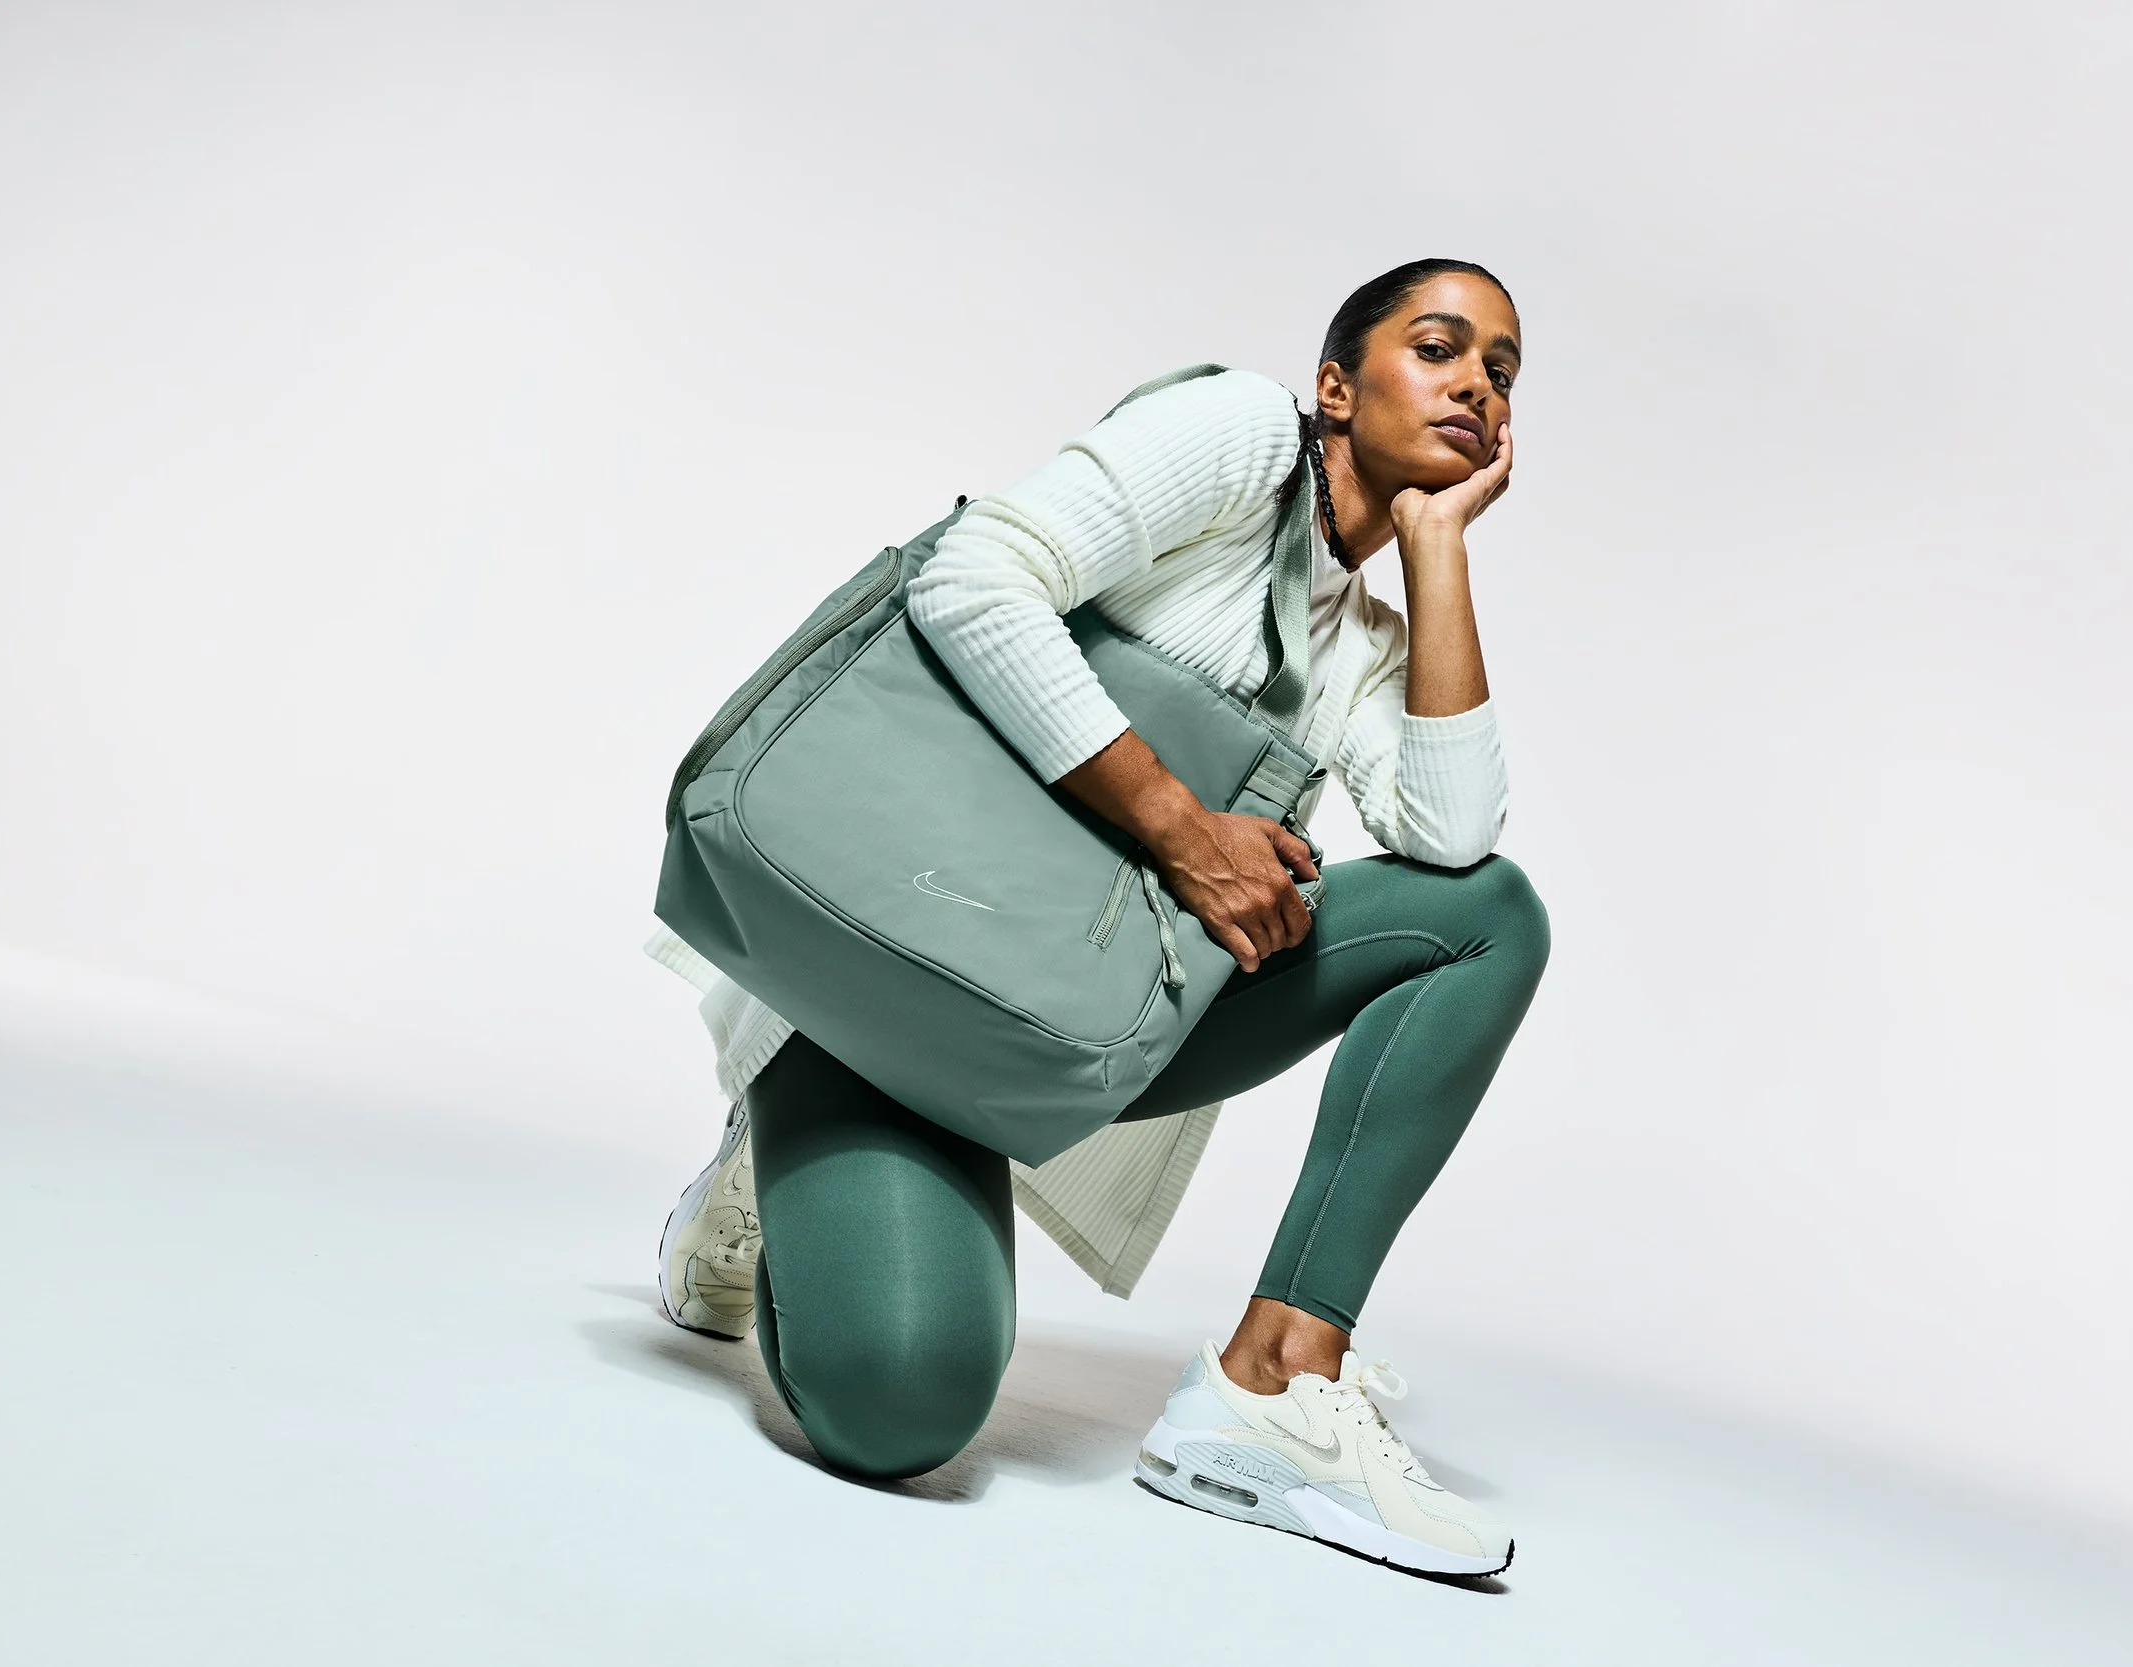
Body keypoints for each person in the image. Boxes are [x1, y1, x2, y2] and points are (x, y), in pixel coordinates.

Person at [642, 259, 1549, 1580]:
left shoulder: (1359, 642)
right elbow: (971, 578)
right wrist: (1182, 826)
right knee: (902, 1414)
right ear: (1337, 385)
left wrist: (1439, 546)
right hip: (886, 969)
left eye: (1504, 373)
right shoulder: (1240, 438)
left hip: (1065, 1024)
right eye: (1442, 346)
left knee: (1487, 917)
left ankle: (1274, 1382)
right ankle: (771, 1151)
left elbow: (1455, 839)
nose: (1479, 382)